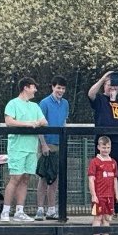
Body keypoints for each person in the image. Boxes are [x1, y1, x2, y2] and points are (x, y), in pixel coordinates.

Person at [1, 77, 47, 222]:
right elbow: (9, 121)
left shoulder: (35, 106)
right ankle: (5, 211)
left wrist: (37, 122)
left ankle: (19, 211)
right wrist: (28, 124)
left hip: (31, 148)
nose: (35, 90)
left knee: (26, 178)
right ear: (26, 87)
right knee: (15, 178)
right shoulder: (12, 103)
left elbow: (44, 121)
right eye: (34, 87)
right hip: (17, 148)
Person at [88, 70, 118, 220]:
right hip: (105, 143)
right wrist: (103, 78)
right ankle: (99, 210)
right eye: (109, 85)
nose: (112, 88)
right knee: (101, 176)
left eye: (114, 86)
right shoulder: (100, 99)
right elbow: (90, 94)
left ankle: (117, 210)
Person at [34, 75, 69, 221]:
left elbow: (64, 122)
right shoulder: (44, 103)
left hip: (59, 144)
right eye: (58, 87)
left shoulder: (66, 103)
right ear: (53, 87)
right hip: (47, 144)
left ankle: (51, 209)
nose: (60, 90)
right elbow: (41, 125)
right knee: (43, 177)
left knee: (55, 178)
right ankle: (40, 209)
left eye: (62, 88)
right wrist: (43, 144)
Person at [88, 136, 118, 235]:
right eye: (103, 147)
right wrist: (93, 195)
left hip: (109, 196)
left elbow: (115, 180)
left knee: (107, 219)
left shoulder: (113, 162)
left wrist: (116, 195)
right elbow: (91, 179)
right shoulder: (94, 162)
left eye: (108, 147)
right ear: (98, 147)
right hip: (99, 195)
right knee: (98, 218)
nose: (106, 150)